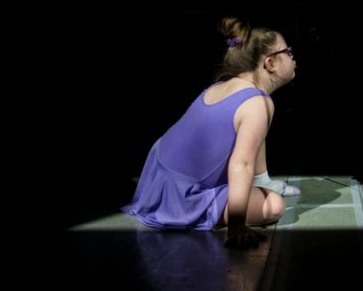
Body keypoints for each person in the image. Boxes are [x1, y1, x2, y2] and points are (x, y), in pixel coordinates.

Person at [122, 17, 300, 248]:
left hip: (157, 177)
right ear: (270, 63)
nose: (293, 57)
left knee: (252, 134)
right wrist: (237, 225)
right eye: (289, 52)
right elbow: (241, 164)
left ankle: (262, 182)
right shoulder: (258, 103)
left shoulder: (225, 85)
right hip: (181, 196)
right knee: (273, 206)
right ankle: (222, 204)